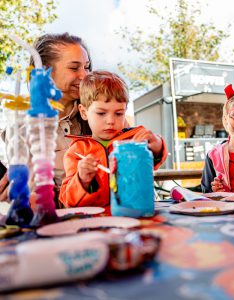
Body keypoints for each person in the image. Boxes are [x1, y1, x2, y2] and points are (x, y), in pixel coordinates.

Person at [1, 33, 93, 202]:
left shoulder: (99, 113)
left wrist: (156, 149)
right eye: (74, 68)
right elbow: (32, 195)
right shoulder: (23, 125)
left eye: (86, 67)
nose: (85, 75)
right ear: (44, 72)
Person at [59, 70, 167, 212]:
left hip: (136, 215)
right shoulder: (77, 152)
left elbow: (153, 160)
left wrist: (157, 145)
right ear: (84, 112)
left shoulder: (133, 139)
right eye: (101, 113)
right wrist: (82, 179)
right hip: (98, 223)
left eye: (118, 113)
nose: (111, 121)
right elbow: (67, 200)